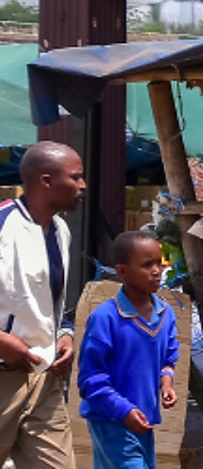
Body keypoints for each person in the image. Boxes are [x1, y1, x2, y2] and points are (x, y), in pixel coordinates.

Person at [0, 140, 86, 469]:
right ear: (45, 181)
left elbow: (48, 303)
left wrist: (64, 332)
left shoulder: (61, 230)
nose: (83, 185)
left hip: (45, 379)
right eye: (75, 177)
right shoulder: (3, 225)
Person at [76, 232, 178, 469]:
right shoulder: (105, 318)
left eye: (159, 263)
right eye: (146, 265)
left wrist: (166, 384)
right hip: (111, 419)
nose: (156, 271)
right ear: (121, 271)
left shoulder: (165, 313)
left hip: (143, 419)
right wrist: (124, 410)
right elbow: (90, 379)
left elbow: (169, 358)